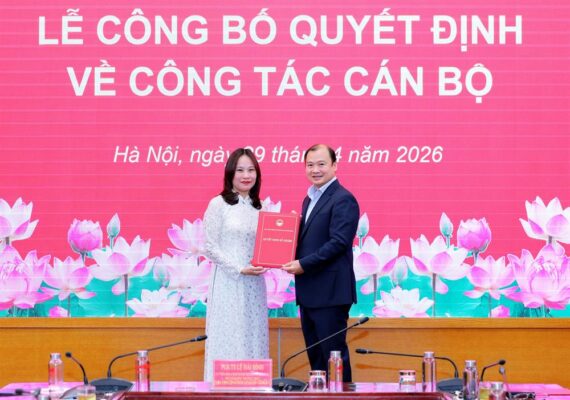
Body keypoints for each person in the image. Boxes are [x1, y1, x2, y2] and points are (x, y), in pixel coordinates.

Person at [282, 144, 360, 382]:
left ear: (334, 166)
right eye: (310, 165)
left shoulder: (343, 199)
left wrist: (303, 264)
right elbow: (312, 240)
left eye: (321, 164)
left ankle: (342, 397)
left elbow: (338, 243)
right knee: (317, 360)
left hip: (330, 293)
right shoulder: (310, 199)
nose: (315, 170)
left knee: (334, 358)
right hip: (310, 293)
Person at [203, 148, 269, 382]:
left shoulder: (260, 207)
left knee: (253, 336)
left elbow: (267, 244)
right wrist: (239, 269)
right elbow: (209, 246)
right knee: (229, 335)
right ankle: (224, 392)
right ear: (230, 173)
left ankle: (254, 391)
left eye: (251, 170)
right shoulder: (218, 204)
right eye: (240, 170)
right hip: (228, 283)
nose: (246, 175)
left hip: (255, 285)